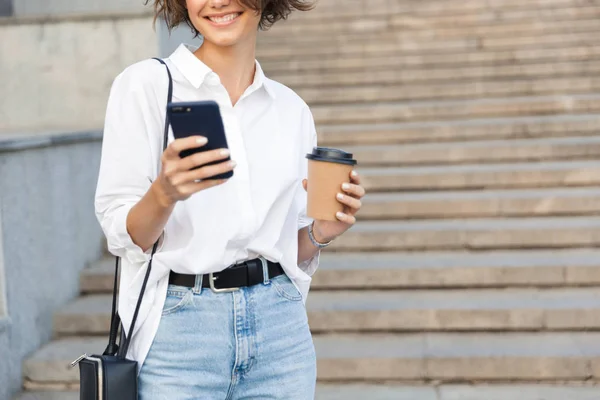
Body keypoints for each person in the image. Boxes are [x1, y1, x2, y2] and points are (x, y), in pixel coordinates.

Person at [94, 0, 365, 398]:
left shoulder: (291, 109)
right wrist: (164, 193)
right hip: (179, 335)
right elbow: (124, 236)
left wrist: (322, 232)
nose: (216, 2)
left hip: (280, 336)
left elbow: (281, 246)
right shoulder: (145, 86)